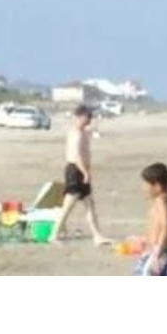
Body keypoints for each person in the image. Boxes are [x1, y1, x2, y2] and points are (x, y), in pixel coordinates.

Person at [49, 104, 112, 246]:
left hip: (82, 171)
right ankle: (54, 235)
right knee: (68, 206)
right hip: (75, 171)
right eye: (87, 116)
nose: (90, 119)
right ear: (80, 117)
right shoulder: (75, 133)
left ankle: (97, 236)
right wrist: (85, 173)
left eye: (91, 116)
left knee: (90, 205)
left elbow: (92, 132)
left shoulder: (83, 132)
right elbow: (76, 155)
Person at [135, 162, 167, 276]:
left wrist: (157, 253)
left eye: (146, 185)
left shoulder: (161, 201)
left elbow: (166, 225)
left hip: (157, 253)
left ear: (157, 186)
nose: (143, 188)